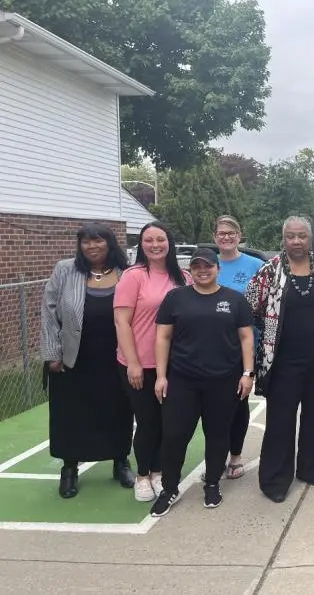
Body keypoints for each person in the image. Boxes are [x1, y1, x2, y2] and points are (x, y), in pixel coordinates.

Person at [245, 217, 314, 503]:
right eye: (291, 236)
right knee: (281, 421)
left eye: (302, 236)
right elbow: (250, 309)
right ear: (284, 238)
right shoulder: (269, 272)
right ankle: (275, 480)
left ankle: (312, 469)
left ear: (310, 239)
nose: (297, 241)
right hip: (283, 363)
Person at [149, 248, 255, 517]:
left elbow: (245, 338)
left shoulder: (234, 300)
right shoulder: (175, 298)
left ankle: (211, 484)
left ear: (217, 268)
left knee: (218, 435)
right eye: (197, 266)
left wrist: (247, 373)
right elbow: (163, 338)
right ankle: (169, 487)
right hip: (183, 379)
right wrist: (161, 376)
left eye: (208, 266)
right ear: (190, 270)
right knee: (175, 435)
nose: (202, 270)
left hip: (223, 380)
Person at [41, 223, 135, 498]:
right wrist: (52, 354)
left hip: (115, 356)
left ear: (110, 243)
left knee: (118, 410)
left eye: (98, 241)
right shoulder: (65, 269)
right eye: (86, 242)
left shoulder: (126, 272)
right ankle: (69, 469)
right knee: (70, 414)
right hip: (73, 358)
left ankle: (120, 462)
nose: (92, 246)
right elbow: (48, 313)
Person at [114, 221, 192, 502]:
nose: (155, 245)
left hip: (174, 365)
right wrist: (133, 363)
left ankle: (160, 471)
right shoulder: (133, 276)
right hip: (141, 364)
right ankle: (143, 475)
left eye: (160, 239)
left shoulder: (182, 277)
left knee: (168, 422)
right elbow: (122, 322)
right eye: (149, 240)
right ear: (141, 245)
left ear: (169, 243)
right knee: (148, 422)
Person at [213, 215, 264, 481]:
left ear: (239, 235)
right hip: (212, 348)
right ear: (215, 237)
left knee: (237, 401)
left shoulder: (256, 265)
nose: (226, 237)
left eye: (231, 233)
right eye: (221, 233)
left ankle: (235, 455)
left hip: (244, 346)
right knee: (213, 406)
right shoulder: (207, 264)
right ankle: (215, 456)